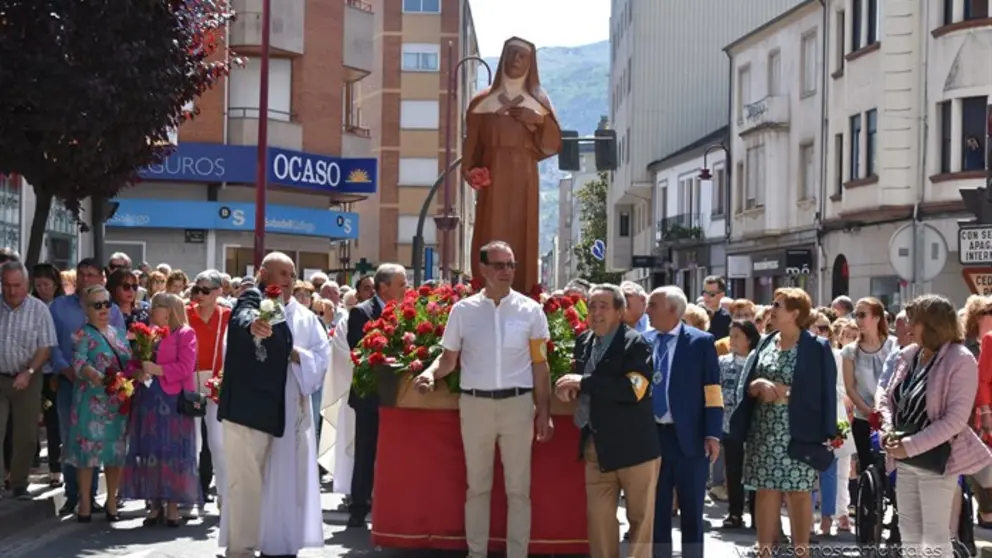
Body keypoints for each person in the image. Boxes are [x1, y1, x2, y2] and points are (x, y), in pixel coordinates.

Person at [414, 241, 554, 558]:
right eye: (500, 265)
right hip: (475, 405)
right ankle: (476, 553)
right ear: (483, 269)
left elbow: (540, 364)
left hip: (518, 406)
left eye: (511, 264)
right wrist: (428, 374)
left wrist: (543, 413)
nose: (507, 271)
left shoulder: (531, 311)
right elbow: (448, 360)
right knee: (477, 487)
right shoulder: (463, 311)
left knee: (519, 490)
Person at [217, 252, 330, 558]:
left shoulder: (306, 318)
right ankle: (241, 548)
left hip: (284, 414)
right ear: (265, 274)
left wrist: (298, 356)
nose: (289, 281)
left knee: (275, 483)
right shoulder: (253, 299)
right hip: (250, 412)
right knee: (246, 484)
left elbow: (321, 360)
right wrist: (254, 326)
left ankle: (276, 541)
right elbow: (243, 318)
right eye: (283, 274)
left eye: (292, 275)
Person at [877, 294, 992, 556]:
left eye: (913, 322)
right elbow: (887, 397)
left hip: (938, 461)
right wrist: (886, 432)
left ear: (932, 325)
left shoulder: (960, 358)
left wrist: (911, 446)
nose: (907, 328)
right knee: (909, 533)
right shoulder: (909, 355)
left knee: (934, 537)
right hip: (904, 458)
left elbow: (955, 419)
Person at [728, 288, 837, 557]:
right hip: (763, 430)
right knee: (766, 490)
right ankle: (764, 551)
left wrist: (786, 392)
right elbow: (746, 384)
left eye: (778, 305)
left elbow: (824, 392)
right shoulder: (766, 342)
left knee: (798, 492)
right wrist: (756, 385)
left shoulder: (816, 347)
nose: (771, 309)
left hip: (798, 431)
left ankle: (802, 552)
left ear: (795, 313)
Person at [554, 283, 660, 558]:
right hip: (596, 446)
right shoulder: (584, 341)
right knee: (599, 522)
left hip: (635, 450)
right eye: (591, 306)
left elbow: (633, 390)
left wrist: (585, 382)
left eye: (603, 307)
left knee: (640, 522)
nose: (596, 313)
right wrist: (570, 387)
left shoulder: (636, 343)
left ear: (619, 311)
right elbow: (585, 384)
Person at [464, 37, 562, 294]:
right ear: (504, 57)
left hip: (525, 176)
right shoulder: (482, 102)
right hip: (494, 176)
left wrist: (538, 121)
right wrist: (472, 172)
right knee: (490, 229)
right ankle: (484, 289)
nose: (516, 60)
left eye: (523, 56)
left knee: (523, 231)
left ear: (531, 64)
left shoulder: (538, 101)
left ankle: (524, 289)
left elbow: (553, 143)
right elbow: (470, 147)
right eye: (513, 53)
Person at [644, 285, 722, 558]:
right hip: (653, 437)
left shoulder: (700, 342)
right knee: (657, 511)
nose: (647, 310)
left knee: (691, 512)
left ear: (673, 311)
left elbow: (713, 389)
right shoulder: (644, 340)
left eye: (653, 305)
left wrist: (713, 433)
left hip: (690, 437)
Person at [121, 292, 200, 527]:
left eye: (157, 306)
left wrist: (157, 370)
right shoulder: (150, 332)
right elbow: (135, 362)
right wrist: (138, 371)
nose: (152, 310)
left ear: (170, 310)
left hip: (173, 402)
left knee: (172, 452)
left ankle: (173, 506)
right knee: (151, 451)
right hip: (149, 399)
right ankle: (154, 505)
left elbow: (186, 367)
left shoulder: (186, 333)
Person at [345, 263, 407, 528]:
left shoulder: (407, 312)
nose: (406, 289)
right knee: (366, 452)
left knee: (395, 455)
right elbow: (358, 351)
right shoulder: (362, 312)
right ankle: (359, 508)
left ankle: (390, 506)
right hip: (369, 395)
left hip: (399, 395)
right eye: (402, 284)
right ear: (385, 287)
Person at [63, 285, 131, 522]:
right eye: (97, 305)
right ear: (86, 308)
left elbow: (130, 364)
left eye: (106, 304)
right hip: (90, 402)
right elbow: (79, 363)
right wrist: (95, 375)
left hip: (116, 404)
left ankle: (112, 501)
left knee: (115, 454)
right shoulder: (84, 334)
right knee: (87, 454)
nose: (103, 309)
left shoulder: (119, 333)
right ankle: (84, 503)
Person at [719, 320, 761, 529]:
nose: (732, 340)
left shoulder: (758, 363)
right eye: (731, 335)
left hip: (754, 426)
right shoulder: (723, 362)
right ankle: (734, 512)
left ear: (749, 339)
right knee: (733, 469)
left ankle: (756, 513)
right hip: (729, 424)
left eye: (737, 336)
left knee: (754, 470)